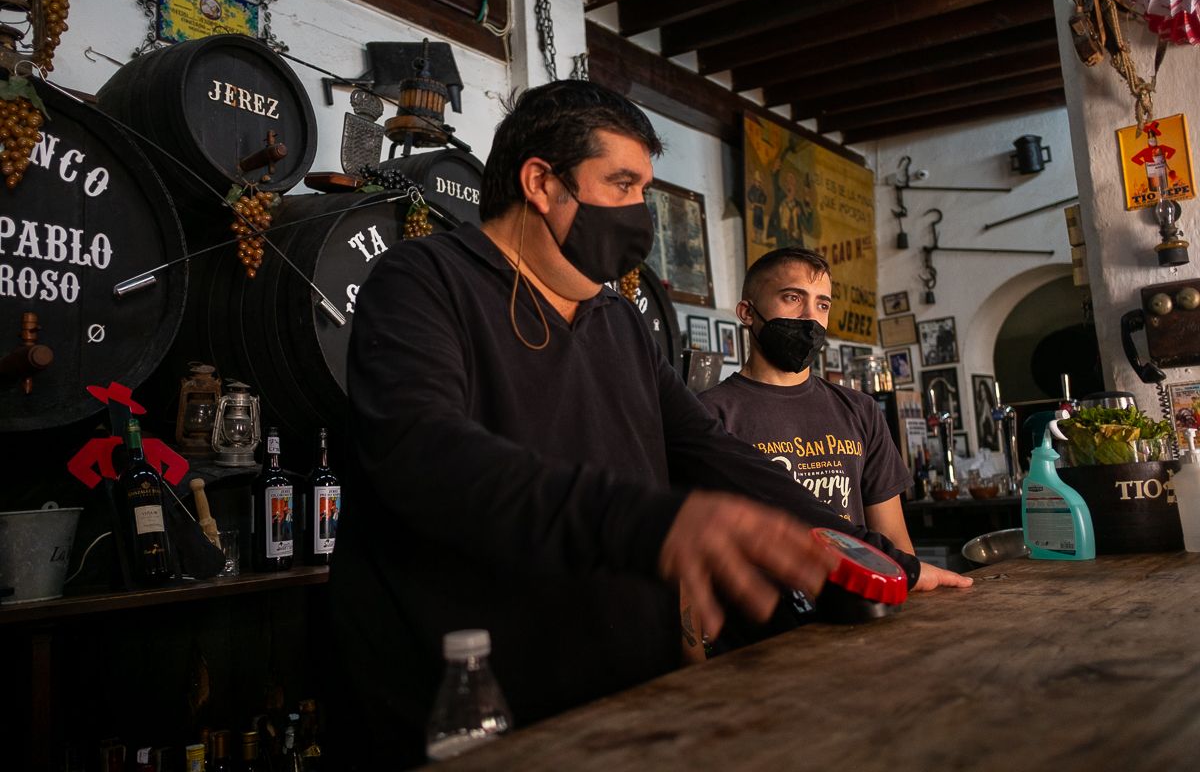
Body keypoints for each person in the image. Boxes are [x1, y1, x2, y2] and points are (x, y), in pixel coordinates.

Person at [327, 81, 946, 768]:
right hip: (469, 712)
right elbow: (423, 457)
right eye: (621, 184)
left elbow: (710, 451)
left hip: (623, 702)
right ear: (541, 182)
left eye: (644, 189)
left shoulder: (618, 319)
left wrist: (864, 553)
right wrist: (657, 522)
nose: (639, 211)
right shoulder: (424, 280)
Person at [699, 247, 973, 562]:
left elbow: (895, 543)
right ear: (747, 312)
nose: (810, 317)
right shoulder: (709, 415)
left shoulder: (861, 410)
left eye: (822, 304)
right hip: (768, 607)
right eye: (792, 298)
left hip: (860, 602)